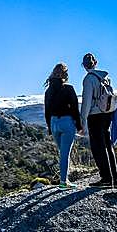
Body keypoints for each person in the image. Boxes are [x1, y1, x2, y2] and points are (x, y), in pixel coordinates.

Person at [80, 53, 117, 188]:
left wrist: (82, 120)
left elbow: (86, 102)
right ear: (95, 62)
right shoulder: (106, 78)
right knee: (108, 145)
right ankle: (114, 178)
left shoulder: (89, 79)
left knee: (98, 147)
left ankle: (105, 178)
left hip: (95, 115)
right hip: (107, 114)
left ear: (84, 66)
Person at [44, 62, 83, 190]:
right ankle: (63, 182)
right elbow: (74, 109)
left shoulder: (48, 91)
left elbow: (47, 111)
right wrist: (79, 125)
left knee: (62, 153)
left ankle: (64, 179)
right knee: (65, 154)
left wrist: (50, 128)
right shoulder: (68, 88)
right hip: (67, 123)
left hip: (54, 123)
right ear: (65, 74)